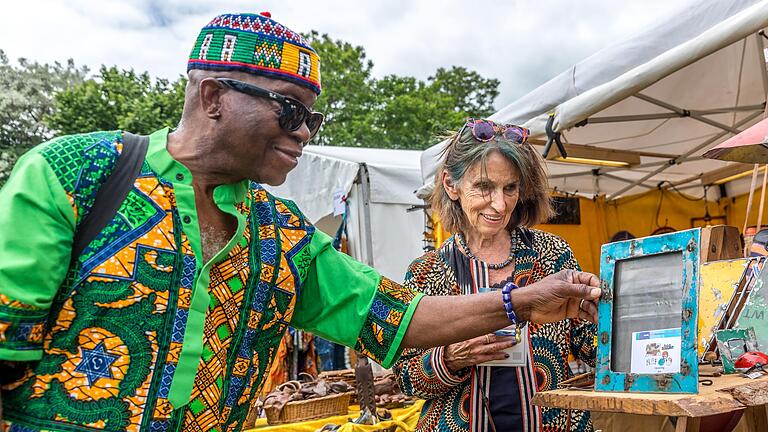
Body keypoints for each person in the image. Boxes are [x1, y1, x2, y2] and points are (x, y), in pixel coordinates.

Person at [0, 14, 600, 432]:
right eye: (289, 109)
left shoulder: (281, 234)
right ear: (212, 96)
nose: (306, 131)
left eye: (313, 114)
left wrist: (523, 300)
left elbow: (398, 318)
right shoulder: (76, 175)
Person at [393, 119, 597, 432]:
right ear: (451, 185)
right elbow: (405, 377)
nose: (500, 205)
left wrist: (609, 313)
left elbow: (590, 345)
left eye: (510, 188)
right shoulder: (428, 272)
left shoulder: (551, 254)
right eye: (484, 187)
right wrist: (451, 357)